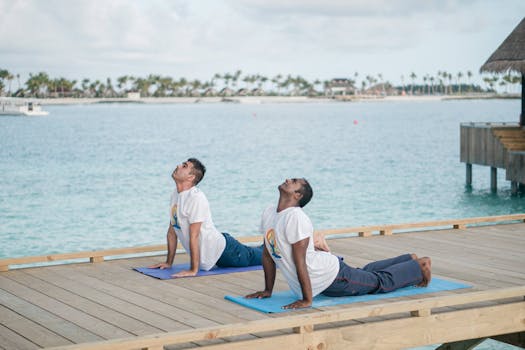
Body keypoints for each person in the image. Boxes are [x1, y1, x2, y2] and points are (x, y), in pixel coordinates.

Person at [246, 178, 432, 309]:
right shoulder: (270, 213)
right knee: (363, 274)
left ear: (297, 195)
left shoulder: (295, 217)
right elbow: (267, 255)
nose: (287, 179)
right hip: (327, 273)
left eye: (293, 181)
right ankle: (408, 259)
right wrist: (267, 290)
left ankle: (419, 266)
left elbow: (300, 261)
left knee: (377, 282)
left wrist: (307, 300)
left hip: (330, 278)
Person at [149, 158, 263, 278]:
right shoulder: (175, 194)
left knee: (264, 255)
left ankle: (280, 244)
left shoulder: (196, 198)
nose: (178, 166)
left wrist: (193, 270)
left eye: (184, 166)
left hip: (226, 252)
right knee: (260, 251)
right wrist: (168, 263)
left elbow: (194, 235)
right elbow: (172, 232)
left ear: (191, 177)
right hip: (217, 246)